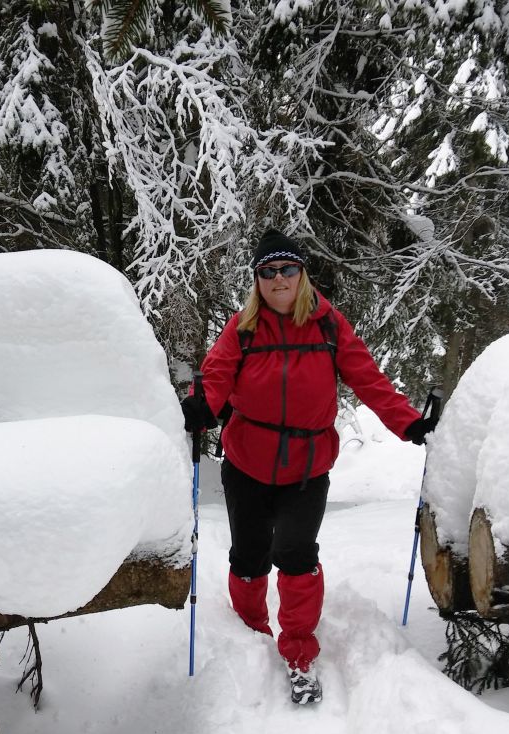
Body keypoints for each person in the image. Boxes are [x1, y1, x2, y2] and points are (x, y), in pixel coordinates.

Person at [181, 228, 434, 705]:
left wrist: (410, 424)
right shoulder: (243, 329)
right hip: (247, 462)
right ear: (258, 280)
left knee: (296, 556)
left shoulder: (328, 326)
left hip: (306, 467)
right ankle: (252, 634)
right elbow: (215, 376)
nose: (279, 279)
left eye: (288, 269)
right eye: (268, 271)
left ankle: (298, 653)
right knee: (249, 556)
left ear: (302, 274)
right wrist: (202, 407)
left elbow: (369, 379)